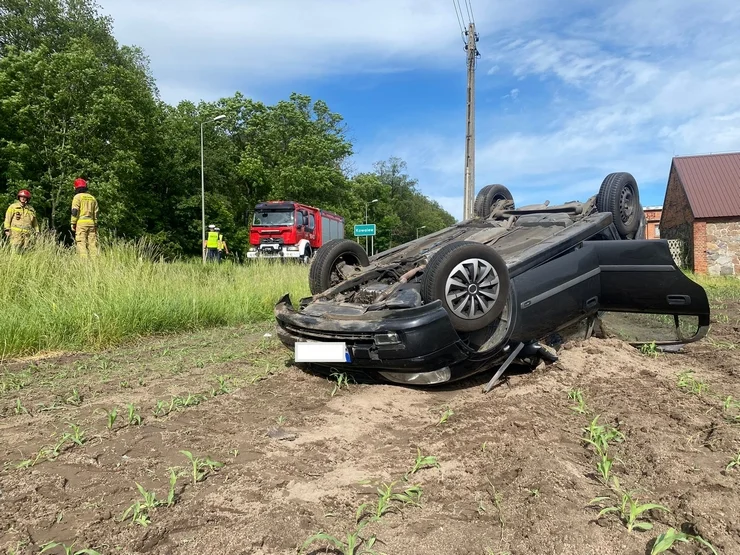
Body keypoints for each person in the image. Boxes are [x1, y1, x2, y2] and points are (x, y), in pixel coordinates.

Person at [70, 178, 99, 257]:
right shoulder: (92, 198)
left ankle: (84, 262)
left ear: (76, 188)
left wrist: (73, 223)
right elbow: (96, 213)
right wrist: (95, 225)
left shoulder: (77, 197)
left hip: (81, 223)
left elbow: (74, 211)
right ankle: (95, 262)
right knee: (92, 244)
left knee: (81, 243)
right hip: (92, 224)